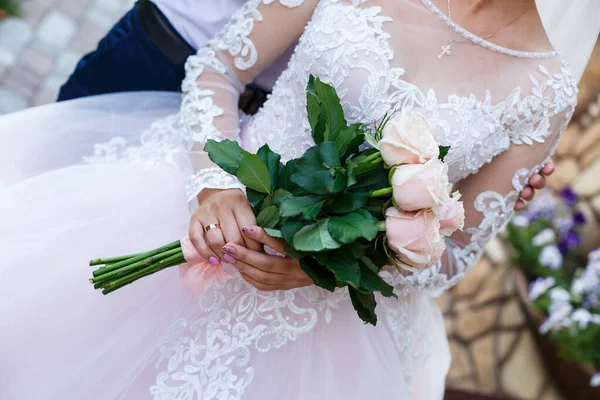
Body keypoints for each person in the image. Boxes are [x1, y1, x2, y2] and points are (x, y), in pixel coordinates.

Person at [1, 0, 598, 398]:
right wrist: (214, 184)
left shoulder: (543, 92)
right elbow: (218, 70)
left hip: (314, 324)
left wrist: (325, 268)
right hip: (184, 203)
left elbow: (450, 255)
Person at [57, 0, 552, 209]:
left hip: (280, 126)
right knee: (57, 190)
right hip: (174, 47)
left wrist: (467, 171)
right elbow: (220, 67)